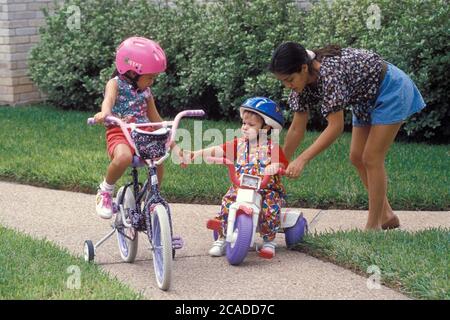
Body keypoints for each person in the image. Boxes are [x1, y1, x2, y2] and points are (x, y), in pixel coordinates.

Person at [269, 42, 426, 230]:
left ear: (304, 68)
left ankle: (373, 226)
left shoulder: (328, 75)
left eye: (290, 79)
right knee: (356, 157)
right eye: (283, 82)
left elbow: (336, 127)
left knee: (371, 158)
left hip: (390, 88)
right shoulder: (299, 86)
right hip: (364, 98)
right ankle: (387, 214)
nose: (287, 86)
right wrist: (280, 161)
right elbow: (296, 129)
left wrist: (302, 159)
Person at [187, 97, 289, 258]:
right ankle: (222, 237)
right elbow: (218, 150)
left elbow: (282, 164)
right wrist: (196, 154)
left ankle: (268, 240)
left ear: (266, 127)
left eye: (251, 125)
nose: (245, 128)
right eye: (243, 123)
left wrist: (276, 166)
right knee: (228, 201)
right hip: (240, 186)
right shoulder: (239, 144)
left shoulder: (273, 148)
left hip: (265, 188)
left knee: (270, 207)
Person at [93, 36, 181, 219]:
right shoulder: (115, 83)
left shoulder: (146, 91)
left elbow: (155, 118)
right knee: (123, 157)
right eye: (150, 77)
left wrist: (171, 141)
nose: (152, 81)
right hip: (119, 131)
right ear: (132, 72)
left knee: (158, 159)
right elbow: (108, 100)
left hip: (143, 132)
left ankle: (152, 195)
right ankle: (106, 191)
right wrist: (105, 113)